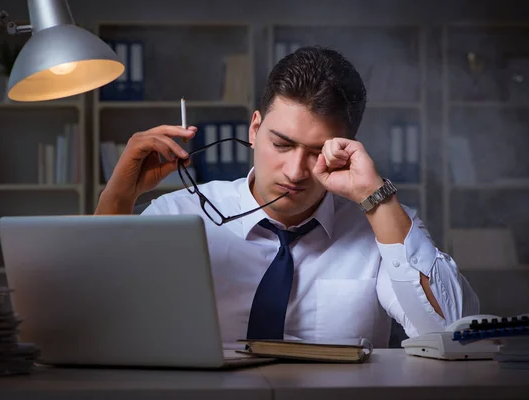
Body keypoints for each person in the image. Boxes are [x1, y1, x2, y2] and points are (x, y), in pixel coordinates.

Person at [95, 46, 480, 348]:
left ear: (347, 148)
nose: (295, 172)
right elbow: (96, 313)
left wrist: (375, 198)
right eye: (281, 144)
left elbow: (450, 332)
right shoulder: (177, 213)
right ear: (254, 129)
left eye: (317, 152)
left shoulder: (383, 226)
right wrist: (118, 197)